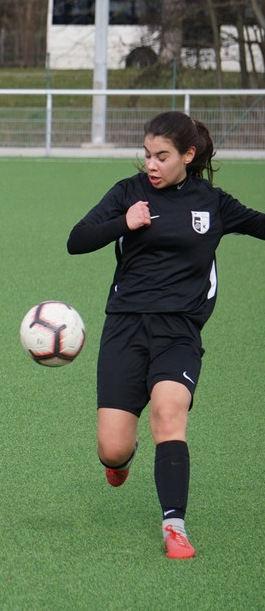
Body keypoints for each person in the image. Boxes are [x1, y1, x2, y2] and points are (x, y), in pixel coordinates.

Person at [67, 111, 265, 559]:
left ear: (187, 156)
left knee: (168, 413)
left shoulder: (212, 202)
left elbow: (259, 224)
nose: (151, 165)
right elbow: (77, 240)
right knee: (112, 449)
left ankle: (174, 526)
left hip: (179, 329)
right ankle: (122, 457)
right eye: (147, 154)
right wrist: (125, 222)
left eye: (162, 156)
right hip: (125, 326)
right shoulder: (128, 192)